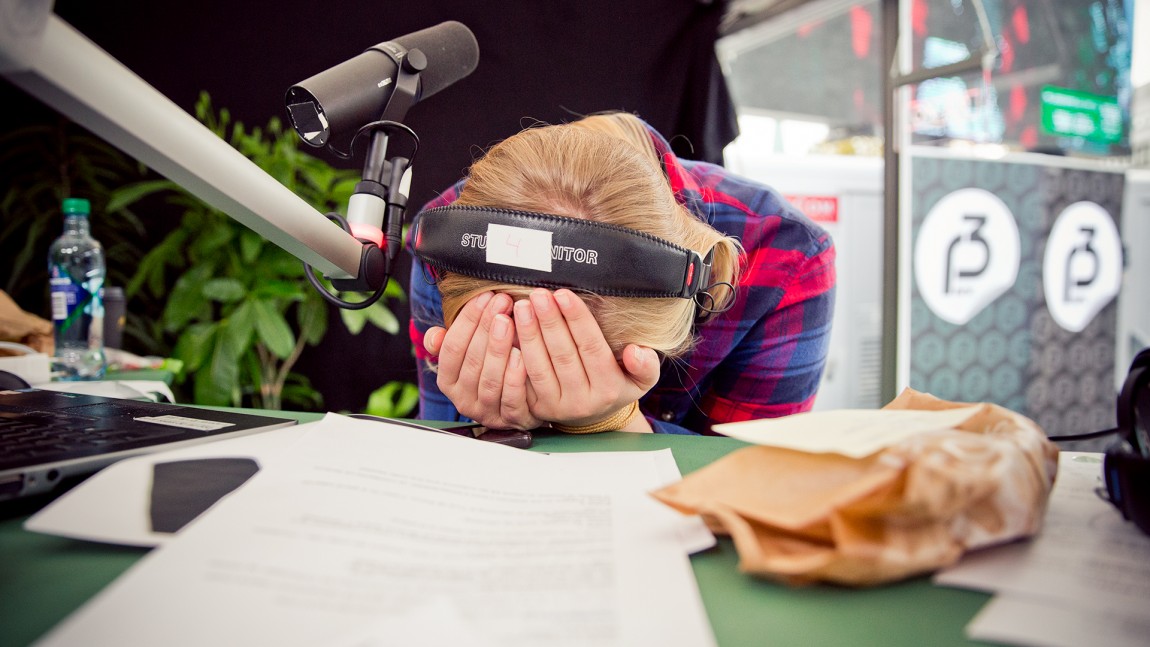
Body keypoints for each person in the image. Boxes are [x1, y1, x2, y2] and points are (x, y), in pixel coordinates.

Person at [407, 112, 835, 435]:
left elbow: (758, 486)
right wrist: (481, 419)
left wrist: (611, 422)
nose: (545, 380)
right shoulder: (445, 243)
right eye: (520, 356)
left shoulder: (787, 257)